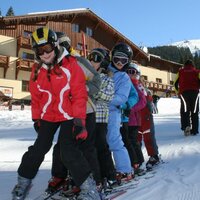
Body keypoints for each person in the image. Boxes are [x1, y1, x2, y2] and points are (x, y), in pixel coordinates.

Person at [12, 27, 100, 200]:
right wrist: (36, 118)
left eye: (47, 49)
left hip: (68, 114)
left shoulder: (71, 65)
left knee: (68, 152)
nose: (44, 54)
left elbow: (79, 95)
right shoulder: (37, 70)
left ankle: (89, 189)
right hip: (48, 116)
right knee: (38, 149)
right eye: (39, 50)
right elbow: (36, 98)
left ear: (55, 45)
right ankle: (22, 184)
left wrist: (79, 121)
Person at [45, 31, 102, 194]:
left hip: (85, 112)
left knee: (85, 148)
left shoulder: (78, 61)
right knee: (61, 148)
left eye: (65, 46)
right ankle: (60, 176)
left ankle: (95, 182)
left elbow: (96, 80)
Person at [88, 48, 116, 185]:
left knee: (101, 146)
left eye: (97, 59)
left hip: (100, 118)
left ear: (103, 62)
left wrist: (90, 92)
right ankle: (95, 176)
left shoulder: (107, 79)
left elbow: (107, 96)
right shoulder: (87, 77)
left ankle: (110, 174)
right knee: (89, 148)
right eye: (90, 57)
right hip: (87, 117)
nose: (92, 61)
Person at [107, 42, 133, 184]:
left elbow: (121, 98)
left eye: (124, 60)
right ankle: (104, 170)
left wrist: (103, 100)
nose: (119, 63)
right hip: (97, 112)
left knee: (113, 140)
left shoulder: (124, 77)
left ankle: (124, 170)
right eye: (117, 58)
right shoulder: (103, 69)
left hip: (112, 112)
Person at [125, 63, 146, 170]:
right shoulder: (125, 84)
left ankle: (139, 161)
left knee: (133, 141)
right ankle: (132, 161)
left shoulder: (138, 86)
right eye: (127, 71)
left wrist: (131, 109)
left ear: (137, 74)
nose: (129, 74)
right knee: (127, 141)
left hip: (134, 120)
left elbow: (143, 101)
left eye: (132, 72)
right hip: (125, 120)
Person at [174, 59, 200, 136]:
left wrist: (178, 92)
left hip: (184, 93)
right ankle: (194, 130)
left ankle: (186, 126)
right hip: (195, 93)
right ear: (192, 65)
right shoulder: (197, 71)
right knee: (194, 111)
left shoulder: (180, 72)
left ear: (185, 65)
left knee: (185, 110)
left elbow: (175, 83)